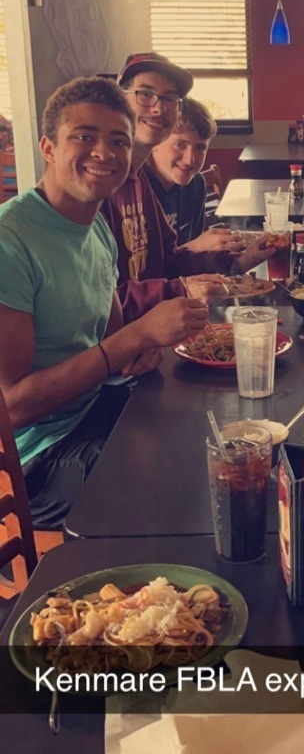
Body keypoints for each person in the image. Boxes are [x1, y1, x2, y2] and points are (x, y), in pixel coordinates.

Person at [0, 76, 208, 528]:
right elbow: (12, 406)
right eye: (84, 136)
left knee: (204, 429)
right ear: (49, 148)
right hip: (35, 459)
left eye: (118, 141)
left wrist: (143, 348)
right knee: (169, 481)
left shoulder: (96, 227)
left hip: (96, 409)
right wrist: (135, 336)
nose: (104, 152)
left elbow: (113, 344)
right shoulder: (10, 240)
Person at [103, 52, 272, 321]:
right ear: (121, 101)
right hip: (125, 338)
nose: (158, 108)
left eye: (169, 98)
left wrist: (237, 262)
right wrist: (181, 289)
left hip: (157, 326)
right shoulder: (101, 185)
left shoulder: (139, 181)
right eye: (145, 94)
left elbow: (170, 262)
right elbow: (96, 303)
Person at [145, 96, 236, 252]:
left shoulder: (196, 184)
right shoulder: (133, 189)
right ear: (155, 142)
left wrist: (239, 260)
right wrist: (195, 247)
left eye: (200, 148)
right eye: (180, 145)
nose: (190, 159)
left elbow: (191, 260)